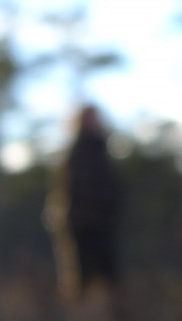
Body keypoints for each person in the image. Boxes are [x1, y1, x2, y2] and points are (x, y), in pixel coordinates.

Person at [45, 104, 124, 298]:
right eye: (91, 118)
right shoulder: (78, 152)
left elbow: (109, 187)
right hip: (82, 225)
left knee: (108, 277)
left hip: (102, 225)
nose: (95, 122)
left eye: (96, 117)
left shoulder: (101, 150)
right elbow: (71, 190)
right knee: (81, 279)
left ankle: (106, 318)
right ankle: (79, 320)